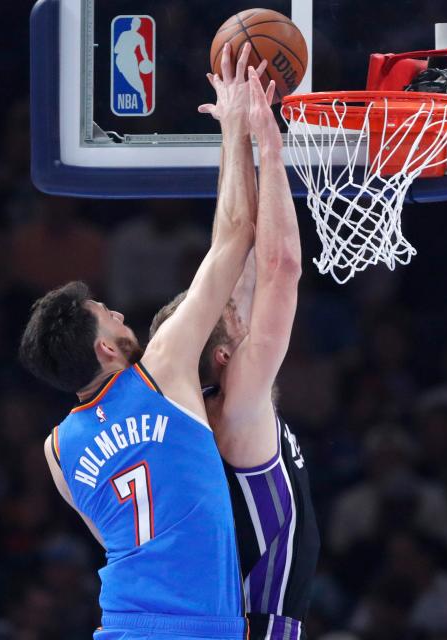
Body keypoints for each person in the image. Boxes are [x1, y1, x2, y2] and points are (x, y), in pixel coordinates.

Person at [18, 43, 262, 640]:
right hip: (194, 626)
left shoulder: (57, 451)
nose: (120, 311)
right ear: (104, 350)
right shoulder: (163, 368)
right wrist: (235, 123)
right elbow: (233, 236)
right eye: (107, 314)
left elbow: (126, 534)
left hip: (128, 622)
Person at [150, 66, 319, 640]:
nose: (233, 302)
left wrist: (234, 132)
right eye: (230, 313)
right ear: (225, 355)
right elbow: (280, 267)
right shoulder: (236, 409)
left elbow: (237, 248)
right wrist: (271, 150)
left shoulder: (206, 395)